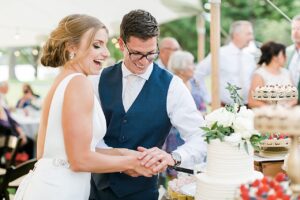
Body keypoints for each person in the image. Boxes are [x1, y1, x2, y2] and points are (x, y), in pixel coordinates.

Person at [14, 14, 155, 200]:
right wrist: (130, 163)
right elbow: (79, 159)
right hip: (59, 192)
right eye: (97, 45)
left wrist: (121, 153)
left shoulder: (62, 80)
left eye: (105, 45)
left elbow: (54, 151)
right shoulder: (78, 83)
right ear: (71, 47)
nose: (105, 53)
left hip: (48, 185)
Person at [89, 9, 206, 200]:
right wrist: (121, 161)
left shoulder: (172, 86)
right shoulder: (96, 80)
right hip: (96, 189)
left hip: (143, 192)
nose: (144, 62)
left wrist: (173, 157)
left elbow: (200, 136)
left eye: (151, 53)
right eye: (136, 54)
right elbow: (88, 137)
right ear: (121, 44)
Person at [195, 20, 256, 106]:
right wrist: (209, 99)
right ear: (236, 35)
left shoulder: (250, 58)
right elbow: (198, 74)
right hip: (224, 108)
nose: (252, 38)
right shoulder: (219, 54)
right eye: (248, 34)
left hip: (247, 107)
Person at [248, 41, 296, 108]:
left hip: (287, 114)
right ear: (275, 57)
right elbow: (252, 102)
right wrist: (274, 109)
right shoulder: (259, 74)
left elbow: (294, 99)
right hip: (267, 115)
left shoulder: (287, 73)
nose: (286, 57)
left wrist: (286, 107)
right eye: (284, 54)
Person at [287, 15, 300, 104]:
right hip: (289, 103)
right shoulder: (287, 51)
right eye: (293, 29)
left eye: (299, 29)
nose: (295, 33)